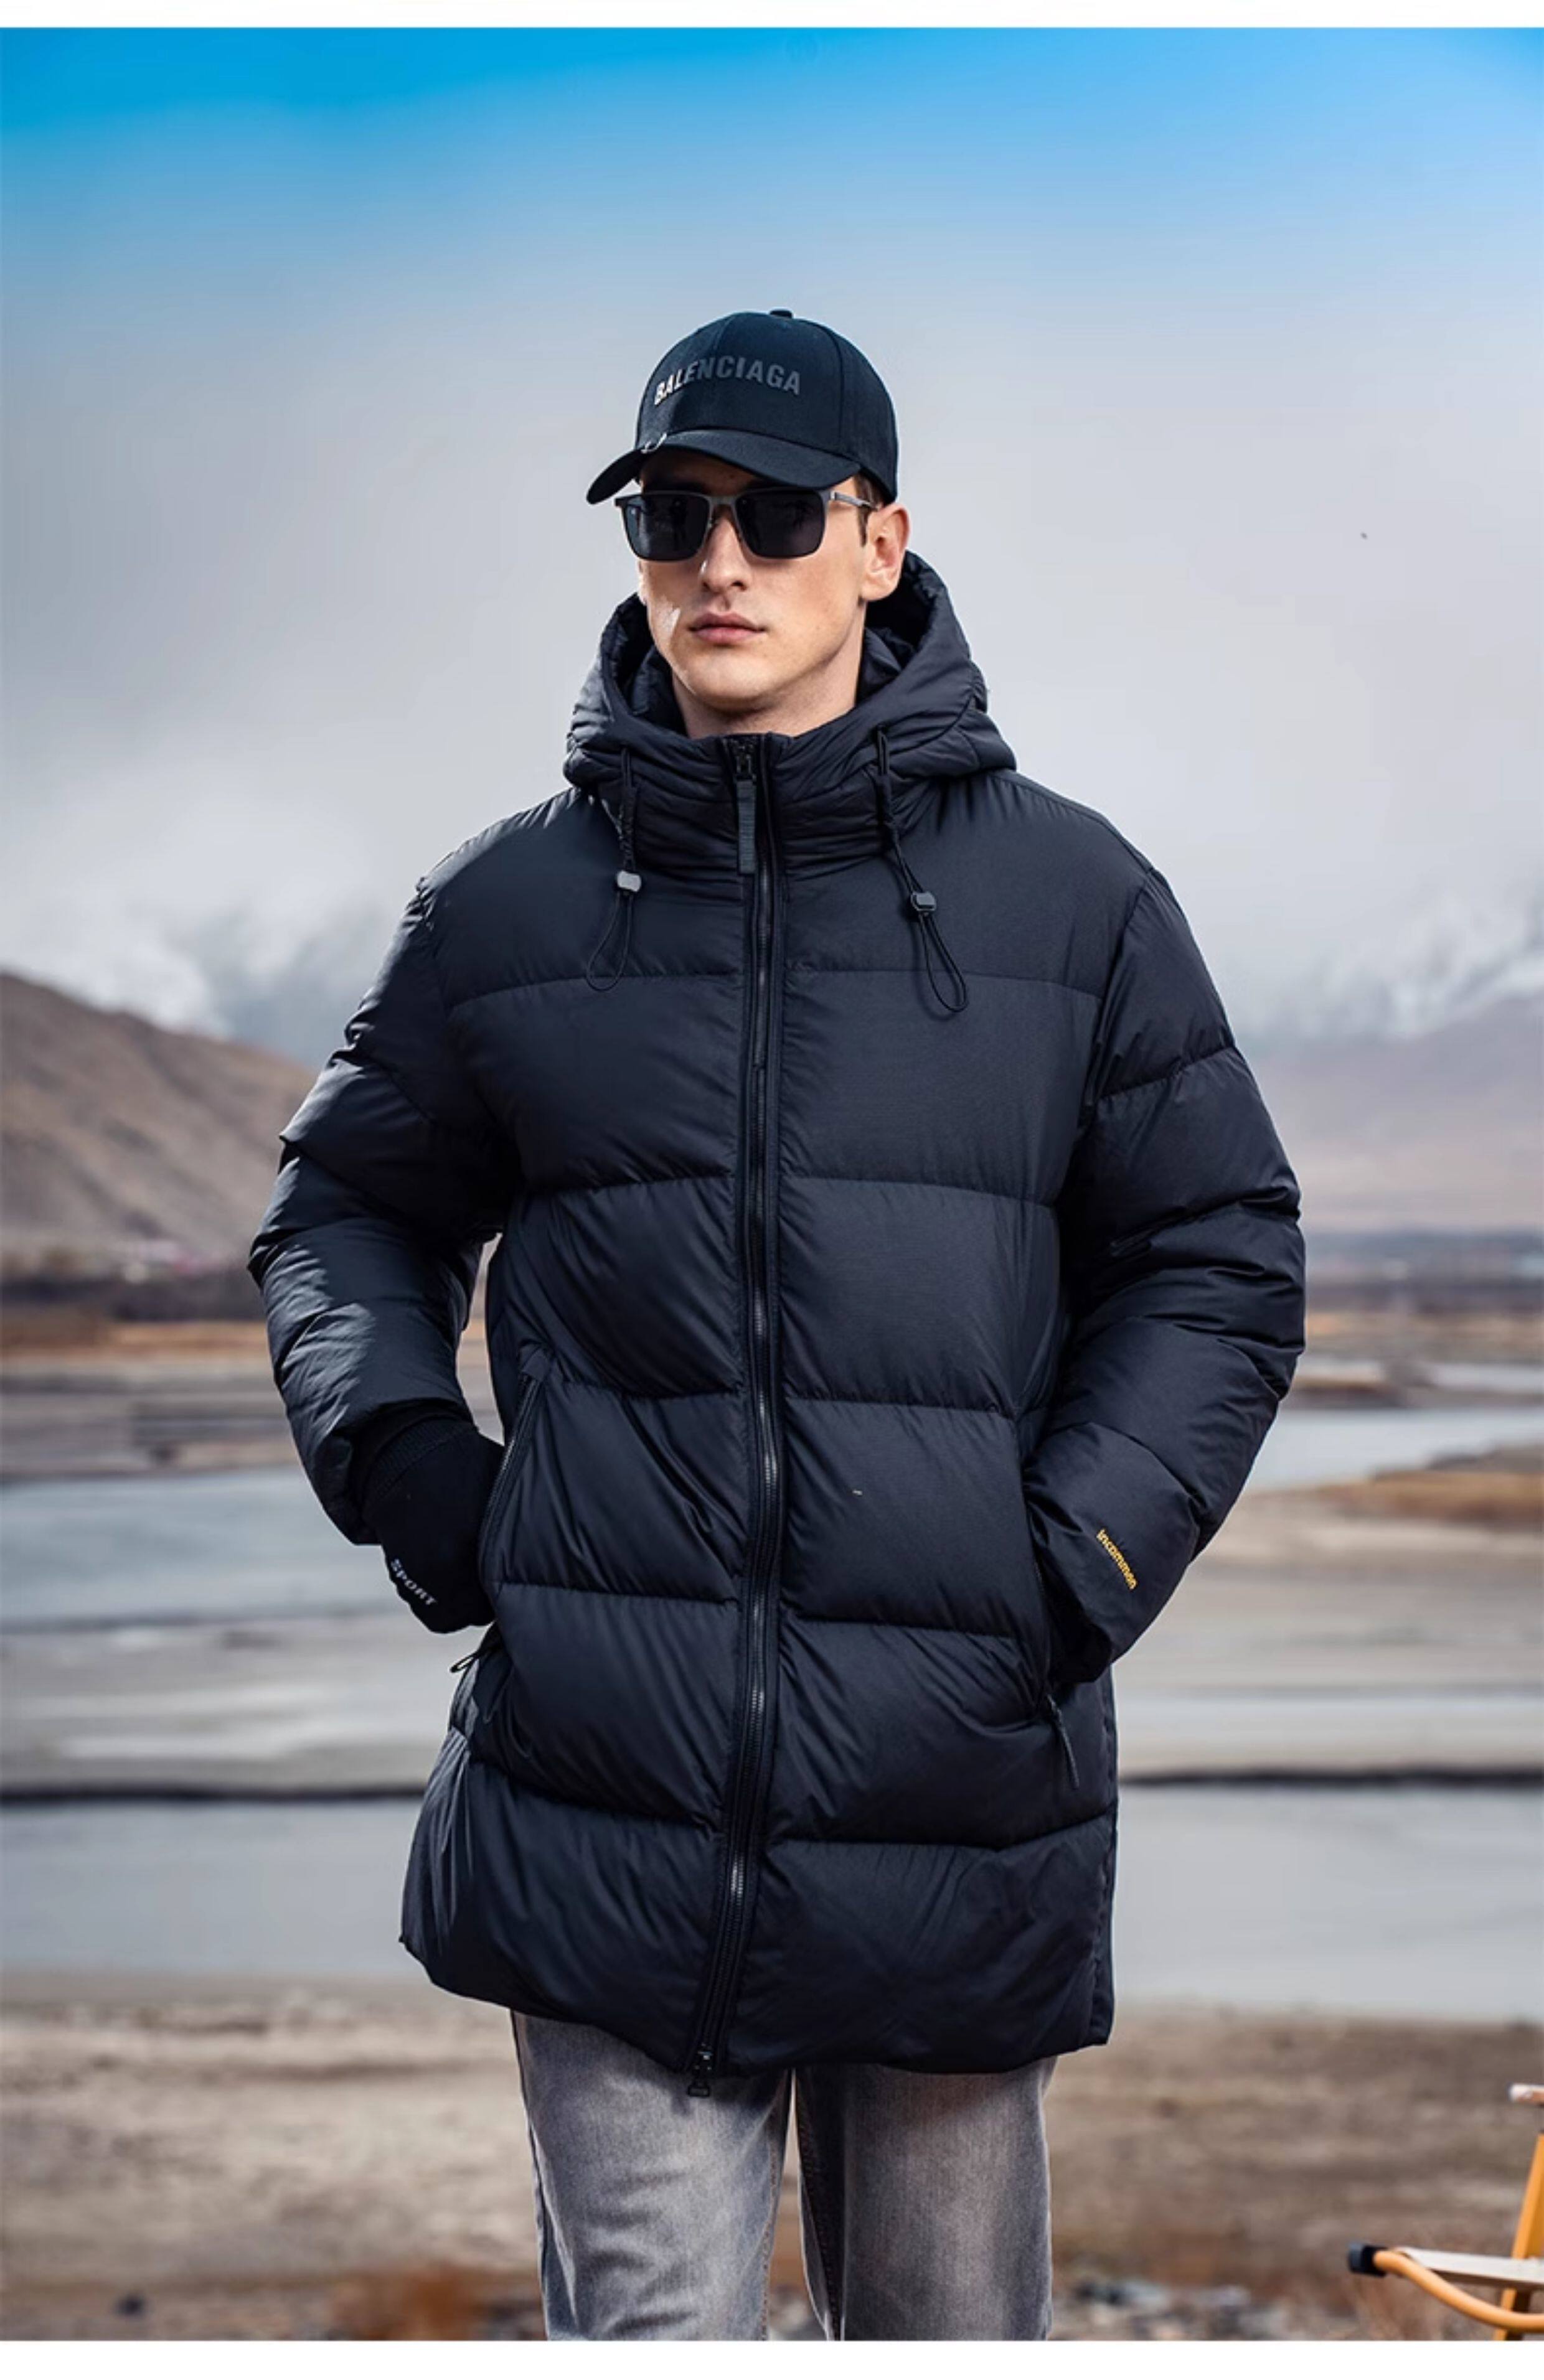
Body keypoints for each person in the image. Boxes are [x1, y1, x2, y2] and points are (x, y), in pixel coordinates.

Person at [248, 308, 1307, 2340]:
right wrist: (412, 1472)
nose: (718, 560)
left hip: (951, 1787)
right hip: (602, 1789)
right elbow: (345, 1212)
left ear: (881, 542)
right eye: (671, 514)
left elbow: (1220, 1252)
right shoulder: (506, 911)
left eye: (776, 514)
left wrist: (1069, 1566)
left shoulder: (1074, 905)